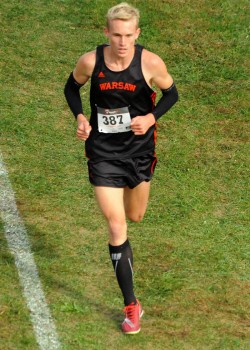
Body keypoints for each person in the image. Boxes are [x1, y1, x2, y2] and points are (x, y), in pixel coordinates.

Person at [64, 2, 178, 335]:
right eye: (116, 35)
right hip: (102, 154)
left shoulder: (150, 63)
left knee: (135, 216)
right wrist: (81, 117)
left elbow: (172, 93)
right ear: (107, 33)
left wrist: (151, 117)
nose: (123, 42)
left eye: (128, 35)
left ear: (137, 34)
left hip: (139, 153)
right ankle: (131, 306)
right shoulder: (90, 61)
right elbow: (72, 88)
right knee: (116, 226)